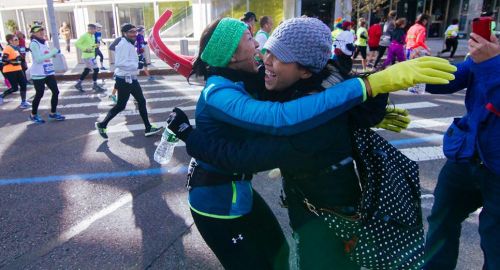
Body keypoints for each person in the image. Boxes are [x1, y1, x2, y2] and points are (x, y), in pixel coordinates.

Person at [159, 15, 455, 269]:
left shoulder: (298, 109)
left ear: (304, 70)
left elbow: (291, 120)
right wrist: (368, 89)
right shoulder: (241, 88)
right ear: (232, 56)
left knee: (281, 256)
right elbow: (283, 114)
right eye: (255, 41)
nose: (263, 55)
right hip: (220, 198)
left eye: (276, 54)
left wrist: (365, 105)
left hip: (319, 212)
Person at [423, 32, 500, 270]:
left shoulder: (492, 58)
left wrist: (491, 63)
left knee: (495, 242)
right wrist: (423, 70)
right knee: (441, 223)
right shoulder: (492, 52)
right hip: (466, 156)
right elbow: (457, 77)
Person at [94, 23, 162, 139]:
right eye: (131, 32)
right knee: (121, 105)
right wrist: (138, 64)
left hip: (130, 78)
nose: (134, 34)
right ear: (124, 33)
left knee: (141, 101)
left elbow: (127, 60)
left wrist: (137, 61)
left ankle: (148, 127)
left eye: (135, 31)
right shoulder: (123, 45)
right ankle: (102, 124)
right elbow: (119, 63)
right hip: (125, 80)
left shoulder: (128, 43)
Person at [28, 25, 65, 123]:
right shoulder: (34, 44)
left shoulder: (44, 42)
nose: (41, 32)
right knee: (39, 94)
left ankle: (53, 113)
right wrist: (52, 52)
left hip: (48, 72)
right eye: (38, 31)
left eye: (42, 30)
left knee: (56, 92)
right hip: (38, 74)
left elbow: (46, 56)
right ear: (33, 33)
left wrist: (53, 54)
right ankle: (33, 114)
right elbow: (39, 59)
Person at [74, 24, 105, 92]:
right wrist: (85, 49)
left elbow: (90, 45)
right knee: (96, 69)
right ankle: (94, 85)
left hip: (91, 56)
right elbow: (76, 43)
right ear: (90, 29)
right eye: (95, 29)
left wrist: (95, 45)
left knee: (88, 69)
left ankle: (79, 83)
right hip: (87, 56)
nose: (95, 31)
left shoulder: (93, 36)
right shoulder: (84, 36)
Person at [1, 34, 28, 108]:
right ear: (10, 41)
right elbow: (4, 59)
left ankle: (23, 102)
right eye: (16, 40)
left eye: (18, 39)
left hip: (18, 69)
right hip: (10, 71)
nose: (18, 41)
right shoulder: (8, 48)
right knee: (14, 88)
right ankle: (1, 96)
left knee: (23, 84)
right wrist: (13, 62)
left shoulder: (16, 48)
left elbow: (18, 58)